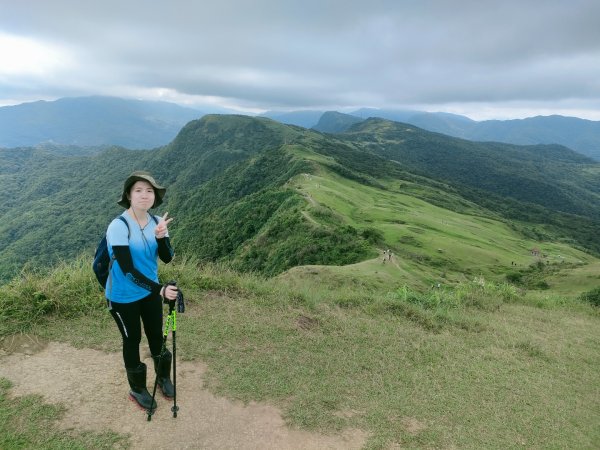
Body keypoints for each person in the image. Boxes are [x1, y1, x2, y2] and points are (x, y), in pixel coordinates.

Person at [105, 171, 178, 410]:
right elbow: (127, 270)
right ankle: (137, 389)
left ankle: (162, 377)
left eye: (149, 191)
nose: (144, 195)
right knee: (132, 338)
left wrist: (160, 237)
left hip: (149, 293)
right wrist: (160, 290)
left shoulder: (158, 222)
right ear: (128, 195)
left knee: (157, 335)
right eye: (138, 190)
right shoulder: (119, 226)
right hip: (123, 296)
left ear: (155, 197)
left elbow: (167, 258)